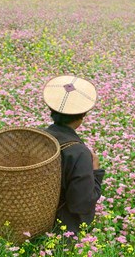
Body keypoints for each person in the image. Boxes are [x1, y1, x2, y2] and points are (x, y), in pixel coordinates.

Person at [42, 76, 105, 234]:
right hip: (59, 232)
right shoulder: (79, 153)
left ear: (52, 111)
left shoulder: (38, 138)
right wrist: (96, 172)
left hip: (30, 222)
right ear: (81, 116)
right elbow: (81, 204)